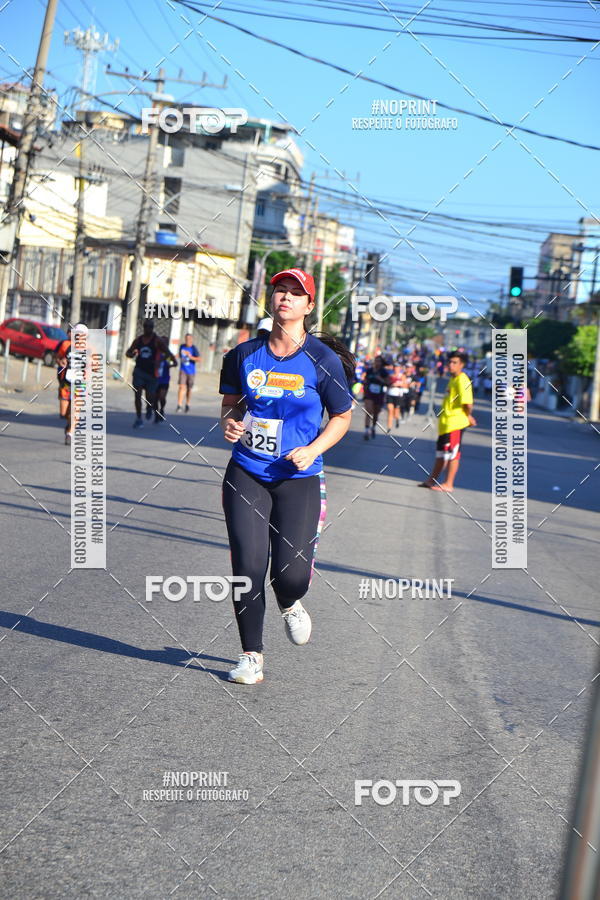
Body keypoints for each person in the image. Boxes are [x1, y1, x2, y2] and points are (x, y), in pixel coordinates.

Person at [219, 267, 354, 684]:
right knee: (248, 564)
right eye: (281, 290)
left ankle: (290, 602)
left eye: (296, 293)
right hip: (247, 472)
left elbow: (342, 417)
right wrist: (230, 423)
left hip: (299, 477)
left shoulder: (322, 360)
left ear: (309, 306)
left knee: (290, 576)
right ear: (271, 298)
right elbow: (231, 404)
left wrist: (313, 449)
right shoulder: (244, 354)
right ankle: (251, 656)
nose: (286, 297)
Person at [419, 350, 476, 492]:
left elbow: (468, 403)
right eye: (450, 362)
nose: (451, 365)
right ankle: (431, 480)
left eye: (454, 362)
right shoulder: (453, 379)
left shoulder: (462, 380)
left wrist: (468, 416)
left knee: (453, 455)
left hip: (455, 424)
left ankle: (448, 484)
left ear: (462, 365)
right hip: (445, 424)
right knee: (440, 454)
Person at [125, 319, 176, 429]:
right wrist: (132, 354)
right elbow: (128, 352)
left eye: (150, 326)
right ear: (143, 327)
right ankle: (138, 418)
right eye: (146, 326)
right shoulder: (138, 340)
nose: (148, 328)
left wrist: (161, 361)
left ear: (153, 328)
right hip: (139, 371)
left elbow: (168, 353)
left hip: (152, 374)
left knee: (150, 396)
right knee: (137, 394)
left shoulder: (157, 341)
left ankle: (149, 407)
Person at [362, 355, 388, 439]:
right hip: (369, 393)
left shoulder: (384, 372)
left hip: (379, 394)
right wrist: (365, 384)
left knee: (376, 413)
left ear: (381, 363)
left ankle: (373, 427)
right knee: (368, 411)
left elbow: (388, 383)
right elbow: (365, 380)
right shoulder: (369, 370)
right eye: (376, 361)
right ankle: (366, 430)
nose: (377, 363)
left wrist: (380, 379)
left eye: (379, 361)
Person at [176, 333, 201, 412]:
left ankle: (187, 403)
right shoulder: (182, 346)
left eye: (189, 339)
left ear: (191, 339)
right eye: (186, 339)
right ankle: (179, 405)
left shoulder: (194, 348)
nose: (188, 340)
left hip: (191, 371)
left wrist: (190, 356)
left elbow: (199, 359)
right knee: (181, 387)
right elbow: (180, 355)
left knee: (189, 389)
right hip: (183, 370)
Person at [56, 334, 73, 444]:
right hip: (66, 381)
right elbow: (57, 357)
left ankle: (70, 433)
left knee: (75, 410)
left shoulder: (89, 347)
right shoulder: (65, 344)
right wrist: (60, 361)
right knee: (63, 413)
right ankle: (68, 423)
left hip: (81, 383)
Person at [154, 352, 176, 423]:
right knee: (155, 399)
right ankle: (156, 415)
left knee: (162, 397)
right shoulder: (155, 353)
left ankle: (162, 409)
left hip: (164, 380)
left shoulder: (168, 355)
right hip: (155, 379)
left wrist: (170, 365)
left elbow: (175, 363)